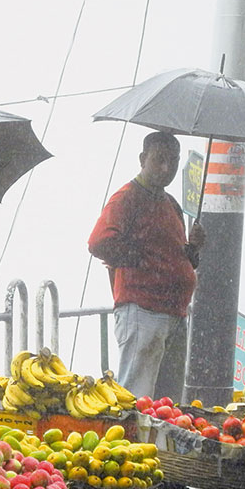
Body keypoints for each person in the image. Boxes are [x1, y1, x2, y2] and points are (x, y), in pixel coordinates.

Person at [87, 131, 206, 403]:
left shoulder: (170, 203)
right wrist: (142, 261)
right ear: (143, 159)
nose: (167, 169)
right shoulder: (127, 198)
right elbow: (98, 242)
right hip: (142, 311)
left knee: (167, 404)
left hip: (174, 314)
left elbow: (176, 256)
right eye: (159, 160)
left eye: (173, 162)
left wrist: (193, 250)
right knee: (136, 400)